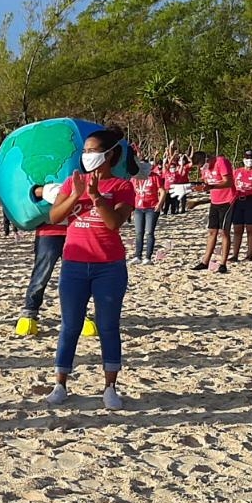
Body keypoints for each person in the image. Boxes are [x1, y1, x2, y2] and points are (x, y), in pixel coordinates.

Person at [43, 128, 135, 410]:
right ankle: (60, 383)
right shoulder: (73, 182)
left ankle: (109, 387)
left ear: (108, 155)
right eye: (84, 151)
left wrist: (96, 197)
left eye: (92, 151)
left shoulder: (122, 186)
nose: (86, 156)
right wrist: (76, 195)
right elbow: (55, 217)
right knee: (70, 326)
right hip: (73, 264)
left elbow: (113, 223)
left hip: (109, 267)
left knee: (108, 327)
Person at [192, 149, 234, 272]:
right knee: (212, 231)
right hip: (214, 201)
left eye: (201, 164)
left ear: (206, 159)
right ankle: (205, 261)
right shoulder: (204, 169)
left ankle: (223, 263)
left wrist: (212, 186)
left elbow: (229, 182)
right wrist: (199, 188)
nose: (201, 167)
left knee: (224, 232)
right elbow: (206, 183)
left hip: (227, 200)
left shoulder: (221, 162)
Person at [230, 149, 252, 262]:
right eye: (247, 158)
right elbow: (231, 184)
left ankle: (249, 255)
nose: (249, 160)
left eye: (251, 158)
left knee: (251, 229)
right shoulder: (237, 172)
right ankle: (235, 255)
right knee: (237, 229)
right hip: (237, 201)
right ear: (243, 159)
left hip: (251, 201)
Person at [129, 161, 164, 264]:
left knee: (149, 232)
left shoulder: (155, 176)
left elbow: (162, 191)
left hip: (151, 207)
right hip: (138, 207)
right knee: (139, 233)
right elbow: (131, 192)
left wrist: (160, 204)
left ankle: (148, 257)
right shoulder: (134, 178)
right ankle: (137, 256)